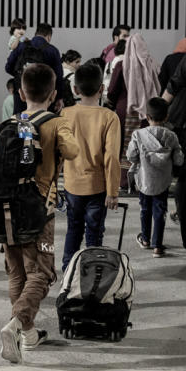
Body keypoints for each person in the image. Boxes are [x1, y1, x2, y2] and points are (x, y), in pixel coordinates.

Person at [0, 63, 79, 363]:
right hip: (38, 211)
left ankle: (28, 334)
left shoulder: (12, 121)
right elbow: (72, 153)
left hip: (6, 210)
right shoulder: (57, 123)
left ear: (21, 92)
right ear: (54, 93)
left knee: (17, 271)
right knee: (41, 274)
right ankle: (16, 323)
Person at [60, 63, 121, 270]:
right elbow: (111, 156)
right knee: (94, 232)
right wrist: (112, 191)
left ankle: (68, 271)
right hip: (98, 187)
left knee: (73, 229)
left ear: (75, 89)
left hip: (71, 185)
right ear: (101, 89)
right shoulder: (109, 117)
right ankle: (91, 274)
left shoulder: (65, 115)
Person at [127, 97, 183, 257]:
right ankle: (157, 246)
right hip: (163, 182)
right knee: (160, 211)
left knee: (145, 209)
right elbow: (179, 160)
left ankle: (145, 239)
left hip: (145, 180)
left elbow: (131, 156)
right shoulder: (171, 136)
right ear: (166, 117)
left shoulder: (138, 135)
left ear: (147, 116)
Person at [108, 34, 161, 190]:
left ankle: (124, 181)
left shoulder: (121, 66)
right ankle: (144, 180)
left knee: (125, 147)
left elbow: (112, 91)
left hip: (125, 111)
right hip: (146, 113)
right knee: (144, 147)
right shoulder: (153, 65)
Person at [5, 23, 65, 115]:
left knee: (21, 123)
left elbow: (8, 67)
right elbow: (58, 77)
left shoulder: (21, 46)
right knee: (44, 123)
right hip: (44, 97)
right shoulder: (52, 51)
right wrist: (59, 97)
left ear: (36, 33)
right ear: (49, 36)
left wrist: (24, 76)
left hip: (22, 94)